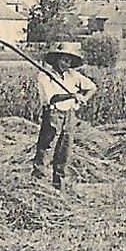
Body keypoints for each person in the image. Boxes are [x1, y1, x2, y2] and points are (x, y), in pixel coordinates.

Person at [32, 41, 96, 188]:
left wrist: (82, 99)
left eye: (68, 61)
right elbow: (52, 98)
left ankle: (58, 184)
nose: (65, 64)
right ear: (56, 59)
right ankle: (38, 184)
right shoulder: (45, 76)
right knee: (46, 149)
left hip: (69, 116)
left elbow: (92, 87)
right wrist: (72, 95)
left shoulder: (73, 76)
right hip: (53, 115)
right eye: (63, 60)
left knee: (64, 150)